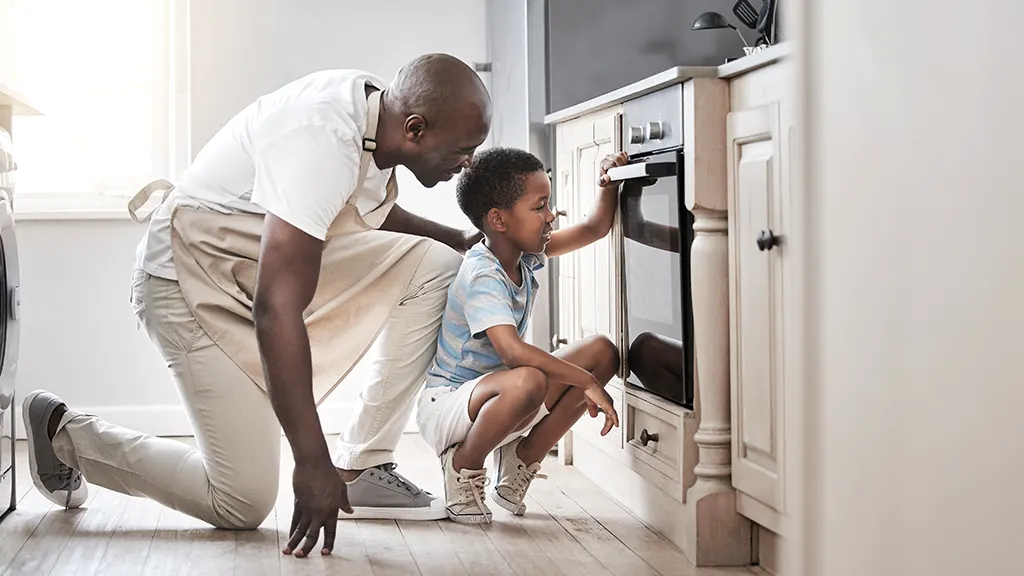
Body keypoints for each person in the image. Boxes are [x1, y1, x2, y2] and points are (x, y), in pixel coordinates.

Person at [20, 53, 491, 558]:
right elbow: (276, 309)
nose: (468, 163)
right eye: (464, 150)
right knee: (243, 500)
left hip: (246, 268)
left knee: (439, 264)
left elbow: (360, 205)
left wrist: (457, 237)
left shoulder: (378, 114)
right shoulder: (323, 140)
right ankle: (63, 432)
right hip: (186, 280)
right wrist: (310, 460)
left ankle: (362, 465)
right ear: (416, 130)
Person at [414, 147, 626, 524]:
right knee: (529, 378)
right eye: (540, 206)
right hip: (449, 405)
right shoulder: (484, 273)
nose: (551, 216)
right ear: (499, 220)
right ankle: (462, 466)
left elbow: (594, 228)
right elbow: (512, 352)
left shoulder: (523, 254)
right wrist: (585, 381)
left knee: (602, 352)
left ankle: (520, 460)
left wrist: (607, 181)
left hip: (505, 398)